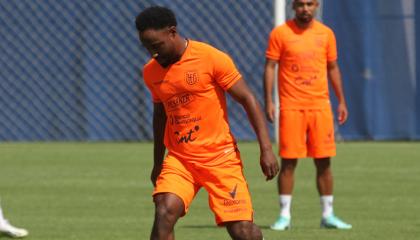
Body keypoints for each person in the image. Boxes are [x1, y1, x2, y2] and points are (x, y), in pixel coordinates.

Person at [135, 6, 279, 240]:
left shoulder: (210, 57)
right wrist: (157, 162)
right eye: (147, 46)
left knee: (242, 231)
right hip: (181, 159)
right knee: (164, 211)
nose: (153, 53)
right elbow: (160, 116)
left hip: (220, 158)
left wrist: (266, 149)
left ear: (172, 32)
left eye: (157, 45)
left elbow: (247, 99)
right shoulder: (151, 72)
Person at [263, 0, 352, 231]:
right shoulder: (280, 33)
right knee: (289, 162)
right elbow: (270, 66)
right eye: (301, 4)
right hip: (292, 107)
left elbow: (332, 67)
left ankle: (328, 214)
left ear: (317, 6)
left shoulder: (326, 34)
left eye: (310, 4)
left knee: (324, 161)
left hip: (320, 107)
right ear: (293, 6)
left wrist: (341, 100)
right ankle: (284, 216)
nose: (305, 9)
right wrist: (270, 101)